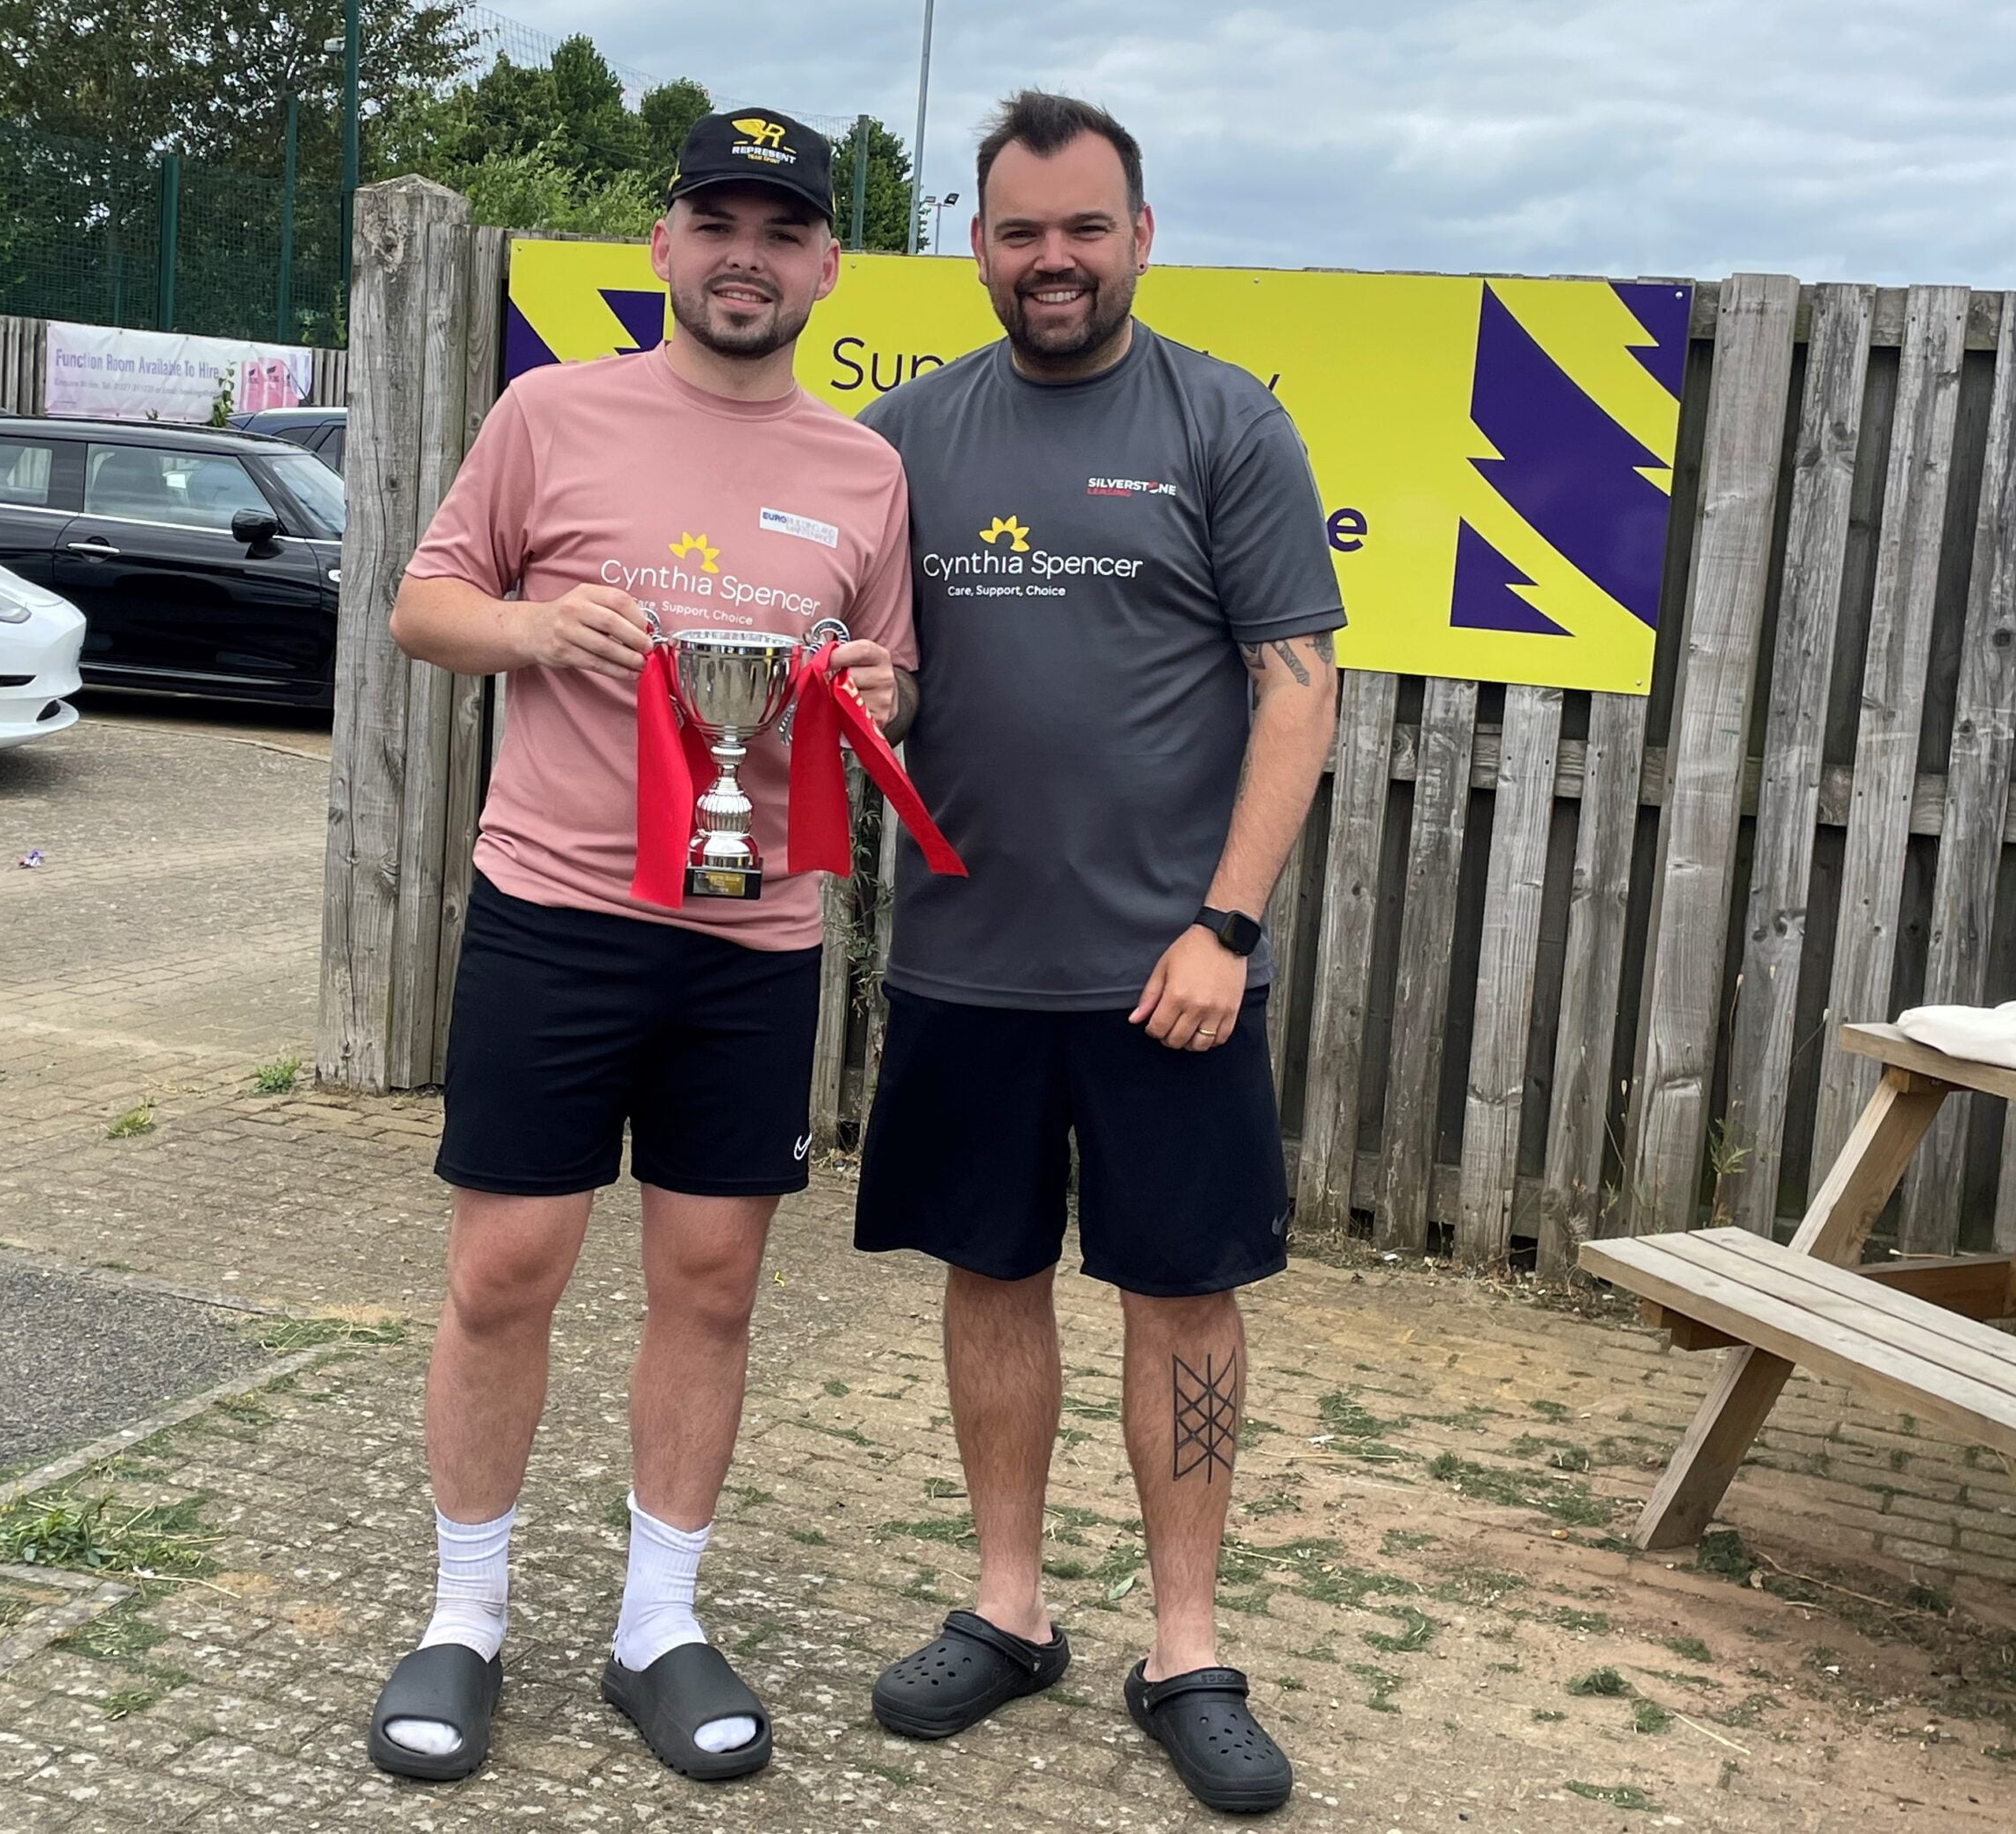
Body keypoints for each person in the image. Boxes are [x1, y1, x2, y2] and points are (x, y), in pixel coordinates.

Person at [365, 105, 918, 1785]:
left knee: (714, 1281)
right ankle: (465, 1618)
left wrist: (884, 693)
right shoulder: (551, 413)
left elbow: (886, 676)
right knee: (505, 1270)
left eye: (785, 229)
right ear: (666, 244)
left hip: (753, 939)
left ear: (825, 264)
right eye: (718, 222)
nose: (747, 255)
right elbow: (421, 602)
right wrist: (534, 624)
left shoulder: (865, 470)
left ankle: (655, 1623)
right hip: (555, 910)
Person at [853, 91, 1344, 1816]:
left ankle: (1185, 1646)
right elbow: (883, 666)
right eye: (1014, 229)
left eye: (1080, 227)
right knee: (986, 1274)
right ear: (973, 244)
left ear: (1139, 233)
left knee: (1181, 1294)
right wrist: (869, 697)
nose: (1047, 259)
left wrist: (1226, 921)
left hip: (1170, 975)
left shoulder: (1223, 423)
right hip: (965, 957)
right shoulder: (903, 433)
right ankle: (1007, 1606)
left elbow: (1297, 684)